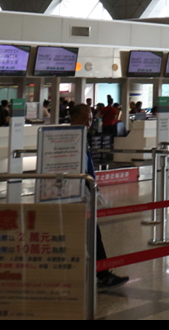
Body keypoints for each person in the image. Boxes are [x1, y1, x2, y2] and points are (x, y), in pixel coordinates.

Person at [69, 106, 130, 291]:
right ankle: (102, 275)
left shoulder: (82, 138)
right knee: (90, 234)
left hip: (84, 194)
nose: (89, 124)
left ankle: (101, 273)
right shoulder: (67, 139)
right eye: (85, 120)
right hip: (73, 196)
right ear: (74, 120)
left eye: (90, 120)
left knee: (93, 234)